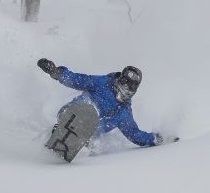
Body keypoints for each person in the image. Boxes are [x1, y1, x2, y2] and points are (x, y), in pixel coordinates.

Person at [37, 59, 177, 148]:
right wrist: (55, 72)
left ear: (134, 90)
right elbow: (76, 79)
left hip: (89, 133)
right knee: (88, 104)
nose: (125, 87)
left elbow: (135, 134)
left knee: (96, 127)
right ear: (119, 79)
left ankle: (83, 142)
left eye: (130, 86)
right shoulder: (102, 83)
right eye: (123, 82)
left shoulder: (124, 113)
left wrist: (158, 139)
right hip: (73, 112)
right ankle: (63, 127)